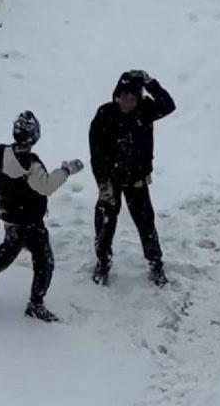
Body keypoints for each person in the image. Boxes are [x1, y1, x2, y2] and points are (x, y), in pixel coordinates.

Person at [0, 111, 84, 322]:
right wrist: (66, 170)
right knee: (44, 262)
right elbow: (46, 186)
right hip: (30, 221)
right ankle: (36, 304)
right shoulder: (31, 165)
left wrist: (7, 184)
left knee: (5, 254)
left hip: (9, 218)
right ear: (35, 136)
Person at [89, 70, 176, 286]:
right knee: (105, 224)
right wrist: (103, 183)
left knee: (146, 223)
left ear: (139, 98)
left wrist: (150, 83)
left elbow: (168, 105)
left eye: (132, 98)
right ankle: (103, 261)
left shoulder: (145, 111)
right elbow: (96, 153)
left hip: (137, 180)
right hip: (111, 180)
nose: (127, 103)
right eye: (123, 97)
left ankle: (155, 263)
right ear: (116, 96)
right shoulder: (105, 115)